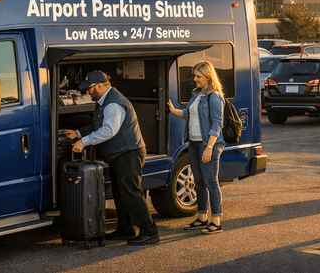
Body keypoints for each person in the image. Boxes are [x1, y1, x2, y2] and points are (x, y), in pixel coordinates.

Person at [63, 70, 160, 245]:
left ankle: (149, 231)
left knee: (131, 193)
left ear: (99, 86)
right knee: (121, 194)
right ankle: (126, 229)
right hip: (120, 154)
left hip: (128, 153)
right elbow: (98, 124)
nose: (87, 92)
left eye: (89, 88)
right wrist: (77, 133)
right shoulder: (104, 101)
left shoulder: (113, 103)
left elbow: (108, 130)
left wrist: (83, 142)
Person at [167, 61, 226, 234]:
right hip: (193, 143)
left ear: (208, 77)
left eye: (198, 76)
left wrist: (209, 147)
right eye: (194, 76)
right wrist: (172, 110)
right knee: (198, 182)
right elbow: (188, 113)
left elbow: (217, 124)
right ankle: (202, 218)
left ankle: (216, 221)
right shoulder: (196, 94)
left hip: (209, 145)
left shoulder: (214, 96)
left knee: (211, 182)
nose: (195, 79)